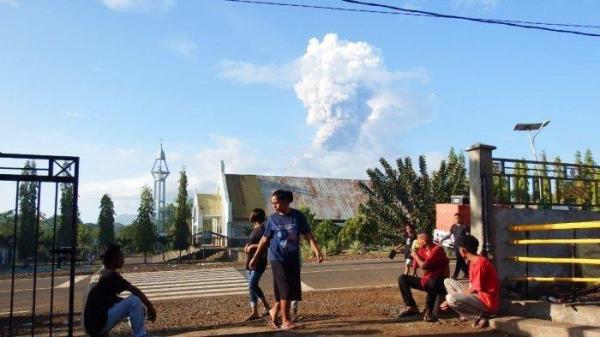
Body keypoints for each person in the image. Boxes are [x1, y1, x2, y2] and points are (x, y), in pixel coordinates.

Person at [250, 189, 324, 330]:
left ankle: (273, 312)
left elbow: (308, 235)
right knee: (285, 290)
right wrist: (255, 257)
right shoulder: (272, 219)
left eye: (276, 203)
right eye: (272, 203)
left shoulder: (298, 216)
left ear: (285, 201)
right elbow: (264, 240)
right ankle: (285, 320)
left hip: (293, 258)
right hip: (277, 258)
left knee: (288, 290)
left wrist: (317, 251)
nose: (274, 206)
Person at [83, 244, 157, 337]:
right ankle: (140, 335)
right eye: (121, 255)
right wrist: (150, 307)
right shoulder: (111, 275)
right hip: (97, 326)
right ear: (114, 259)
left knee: (134, 304)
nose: (123, 259)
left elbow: (108, 299)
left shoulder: (99, 273)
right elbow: (135, 291)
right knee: (135, 301)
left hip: (89, 326)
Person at [441, 235, 500, 328]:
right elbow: (472, 285)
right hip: (478, 295)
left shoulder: (481, 263)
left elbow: (475, 289)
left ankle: (480, 316)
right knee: (448, 281)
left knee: (450, 298)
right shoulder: (473, 261)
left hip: (486, 301)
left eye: (459, 248)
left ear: (463, 250)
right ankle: (465, 312)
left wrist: (449, 302)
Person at [397, 230, 449, 322]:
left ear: (424, 241)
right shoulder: (422, 250)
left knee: (432, 281)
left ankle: (428, 311)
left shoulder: (438, 250)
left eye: (418, 239)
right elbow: (416, 264)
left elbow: (424, 266)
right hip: (427, 281)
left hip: (440, 284)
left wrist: (415, 255)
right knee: (402, 278)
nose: (417, 241)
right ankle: (411, 306)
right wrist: (413, 256)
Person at [244, 208, 271, 321]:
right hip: (250, 260)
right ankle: (254, 312)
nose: (250, 216)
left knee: (252, 284)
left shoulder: (263, 228)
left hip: (258, 261)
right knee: (251, 287)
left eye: (252, 214)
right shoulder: (255, 228)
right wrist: (246, 246)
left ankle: (267, 306)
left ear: (256, 216)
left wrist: (252, 247)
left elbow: (266, 243)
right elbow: (252, 241)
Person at [440, 213, 470, 279]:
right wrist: (442, 239)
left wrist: (467, 245)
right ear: (454, 219)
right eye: (456, 218)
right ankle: (467, 273)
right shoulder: (453, 227)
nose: (457, 219)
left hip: (463, 246)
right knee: (461, 261)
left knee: (459, 260)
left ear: (461, 218)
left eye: (458, 218)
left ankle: (455, 275)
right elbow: (449, 235)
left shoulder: (465, 226)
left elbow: (468, 236)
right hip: (456, 246)